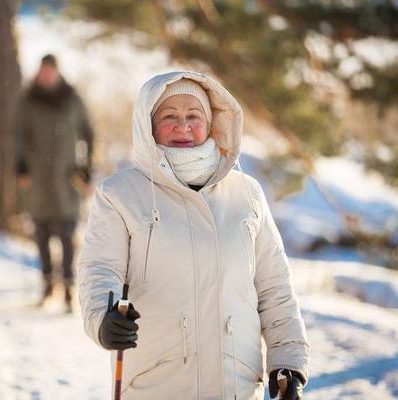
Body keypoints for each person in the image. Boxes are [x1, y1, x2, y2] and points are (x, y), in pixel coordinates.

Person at [77, 71, 309, 399]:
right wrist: (103, 317)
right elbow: (99, 271)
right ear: (148, 124)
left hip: (237, 386)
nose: (183, 126)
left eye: (193, 116)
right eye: (169, 116)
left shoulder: (246, 193)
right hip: (157, 384)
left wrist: (287, 361)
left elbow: (274, 287)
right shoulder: (120, 195)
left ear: (211, 123)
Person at [16, 54, 94, 311]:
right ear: (39, 73)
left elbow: (88, 134)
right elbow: (18, 136)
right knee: (40, 235)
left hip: (66, 180)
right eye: (43, 71)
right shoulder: (29, 101)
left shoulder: (72, 100)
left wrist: (86, 168)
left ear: (58, 73)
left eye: (51, 71)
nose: (47, 75)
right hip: (38, 181)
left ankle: (70, 289)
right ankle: (48, 285)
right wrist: (21, 167)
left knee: (67, 235)